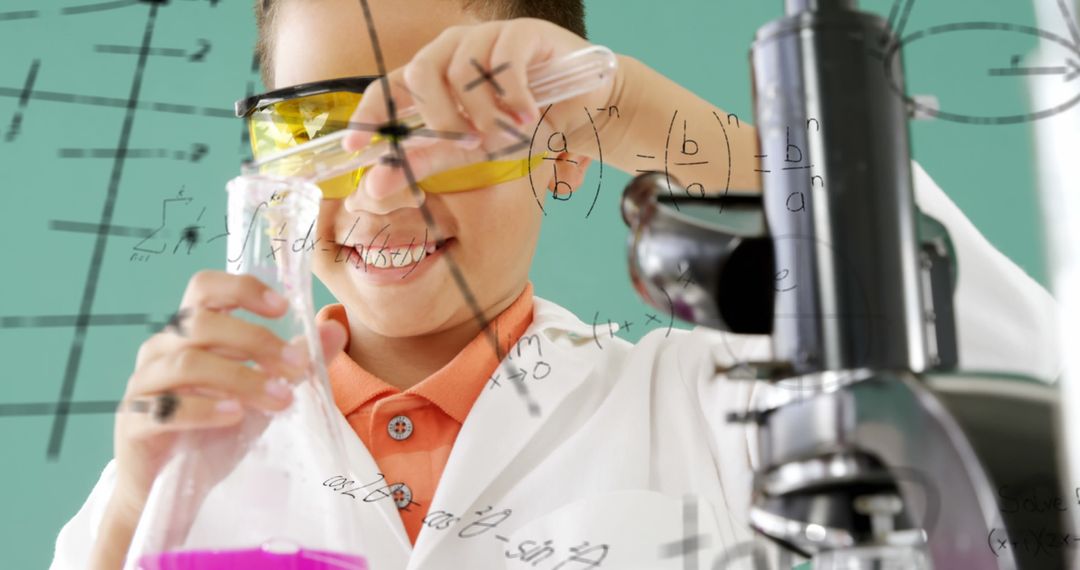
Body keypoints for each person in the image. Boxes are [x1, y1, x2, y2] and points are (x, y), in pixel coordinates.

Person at [53, 0, 1060, 568]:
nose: (381, 186)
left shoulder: (706, 406)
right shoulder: (185, 465)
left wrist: (639, 115)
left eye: (450, 127)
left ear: (566, 149)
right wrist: (136, 505)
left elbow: (1019, 414)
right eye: (316, 129)